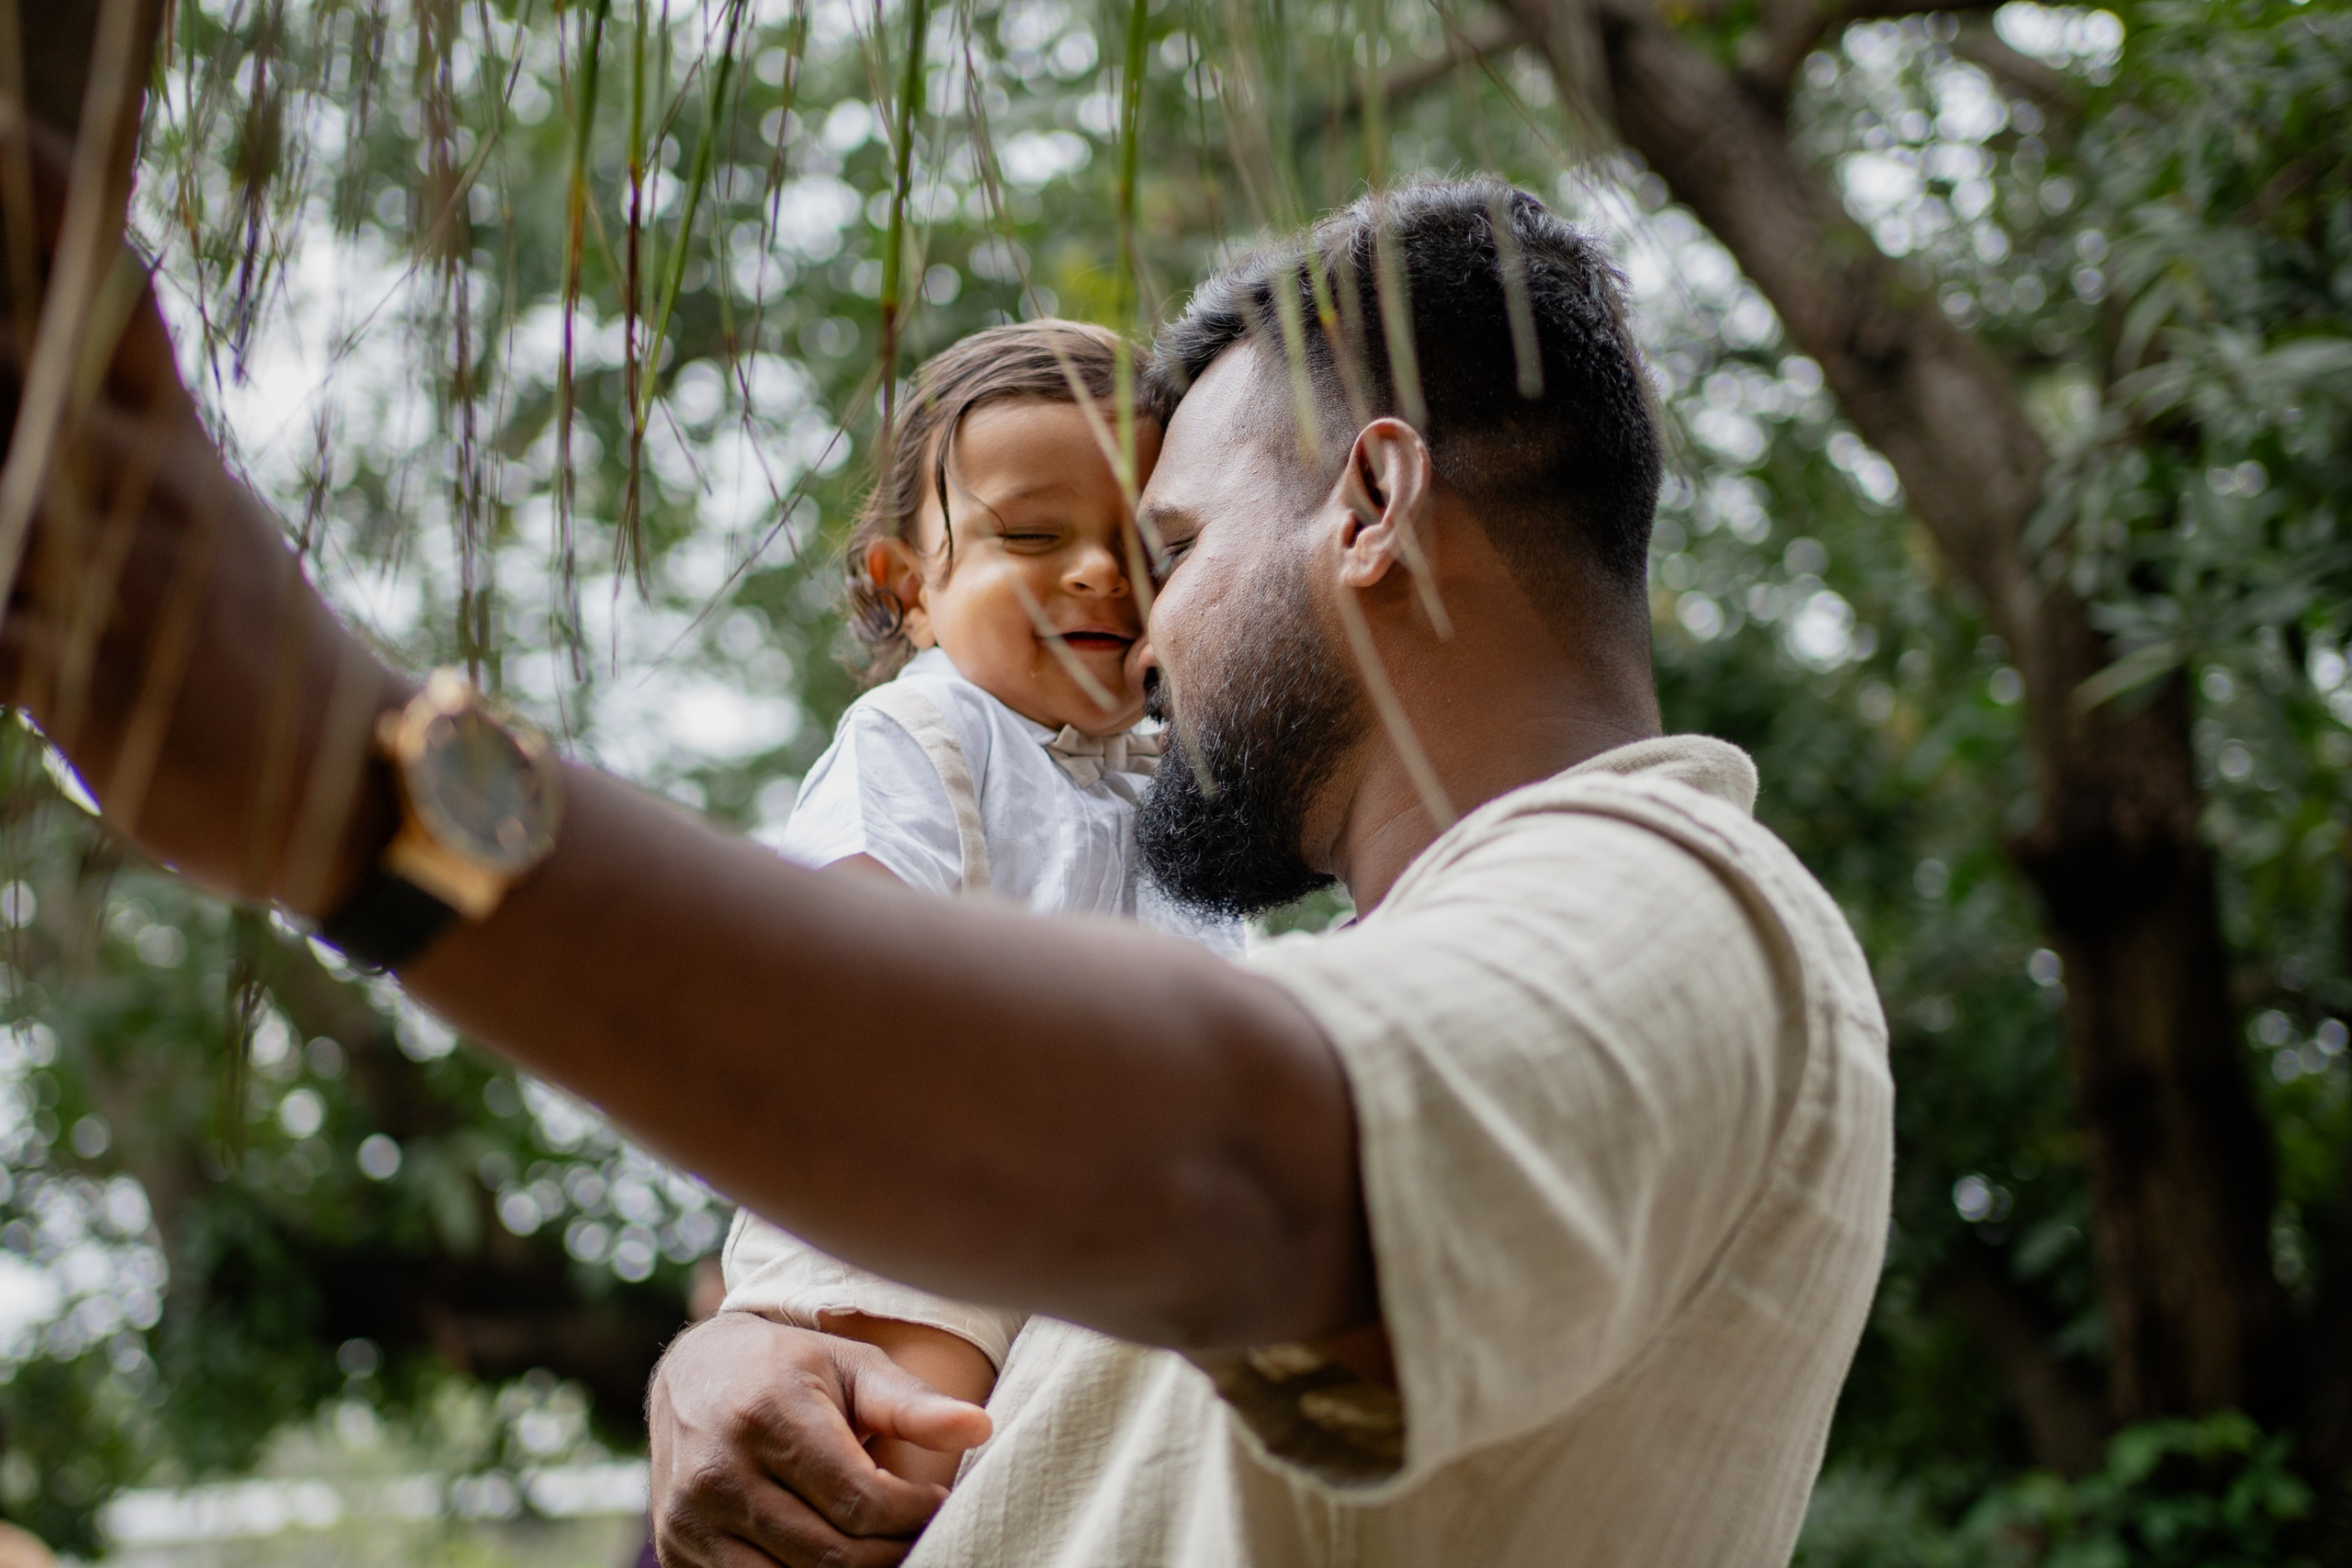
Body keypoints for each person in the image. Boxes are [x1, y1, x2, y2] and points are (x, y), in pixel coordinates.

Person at [7, 175, 1892, 1567]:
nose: (1136, 635)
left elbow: (1213, 1152)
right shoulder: (1368, 983)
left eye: (1171, 545)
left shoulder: (1674, 901)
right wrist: (741, 1355)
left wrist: (364, 787)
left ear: (1373, 503)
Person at [724, 317, 1240, 1491]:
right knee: (906, 1461)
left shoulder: (1174, 782)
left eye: (1146, 547)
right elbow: (850, 954)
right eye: (1031, 535)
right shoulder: (923, 730)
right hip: (911, 1197)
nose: (1101, 572)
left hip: (1091, 1228)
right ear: (909, 589)